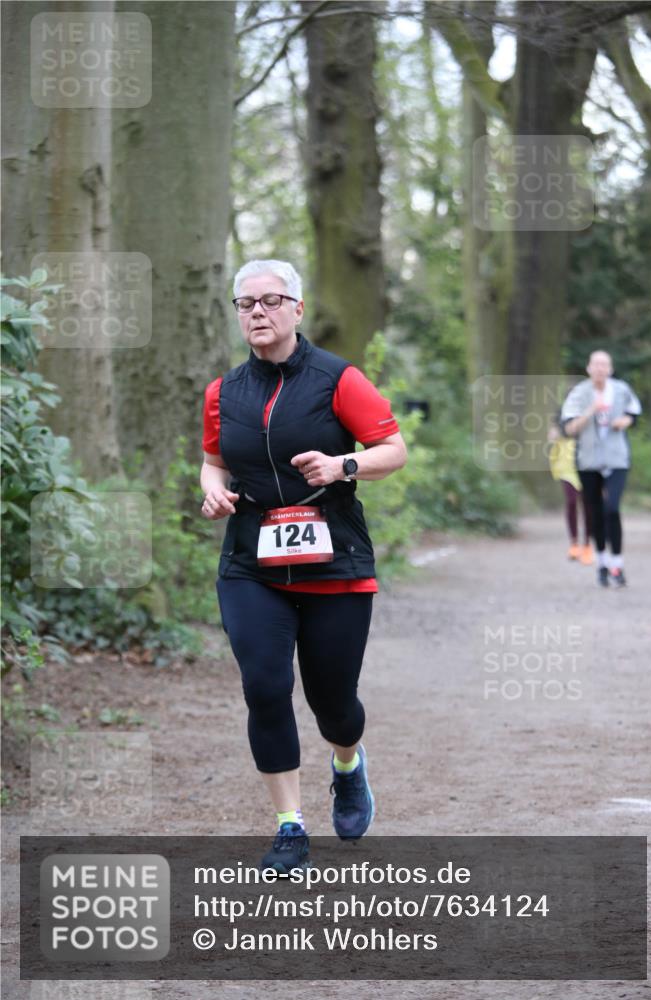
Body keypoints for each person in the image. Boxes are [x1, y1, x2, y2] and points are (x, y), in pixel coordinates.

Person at [200, 259, 407, 873]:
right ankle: (289, 824)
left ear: (297, 308)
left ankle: (347, 764)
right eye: (245, 304)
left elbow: (393, 450)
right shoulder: (222, 391)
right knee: (264, 688)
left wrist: (345, 465)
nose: (257, 313)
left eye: (270, 300)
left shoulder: (338, 379)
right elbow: (214, 460)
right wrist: (212, 489)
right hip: (250, 561)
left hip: (334, 559)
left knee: (333, 701)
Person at [561, 350, 641, 587]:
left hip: (617, 459)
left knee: (612, 508)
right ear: (588, 368)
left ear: (611, 368)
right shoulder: (578, 393)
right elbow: (569, 429)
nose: (599, 369)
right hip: (588, 460)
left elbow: (634, 414)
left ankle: (617, 563)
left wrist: (624, 422)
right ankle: (602, 563)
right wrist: (591, 411)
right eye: (595, 364)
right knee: (594, 511)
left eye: (604, 364)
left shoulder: (622, 390)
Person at [547, 417, 593, 564]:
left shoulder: (591, 412)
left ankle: (587, 544)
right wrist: (554, 434)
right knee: (571, 501)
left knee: (588, 505)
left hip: (588, 464)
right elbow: (553, 435)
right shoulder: (563, 415)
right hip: (567, 465)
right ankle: (574, 543)